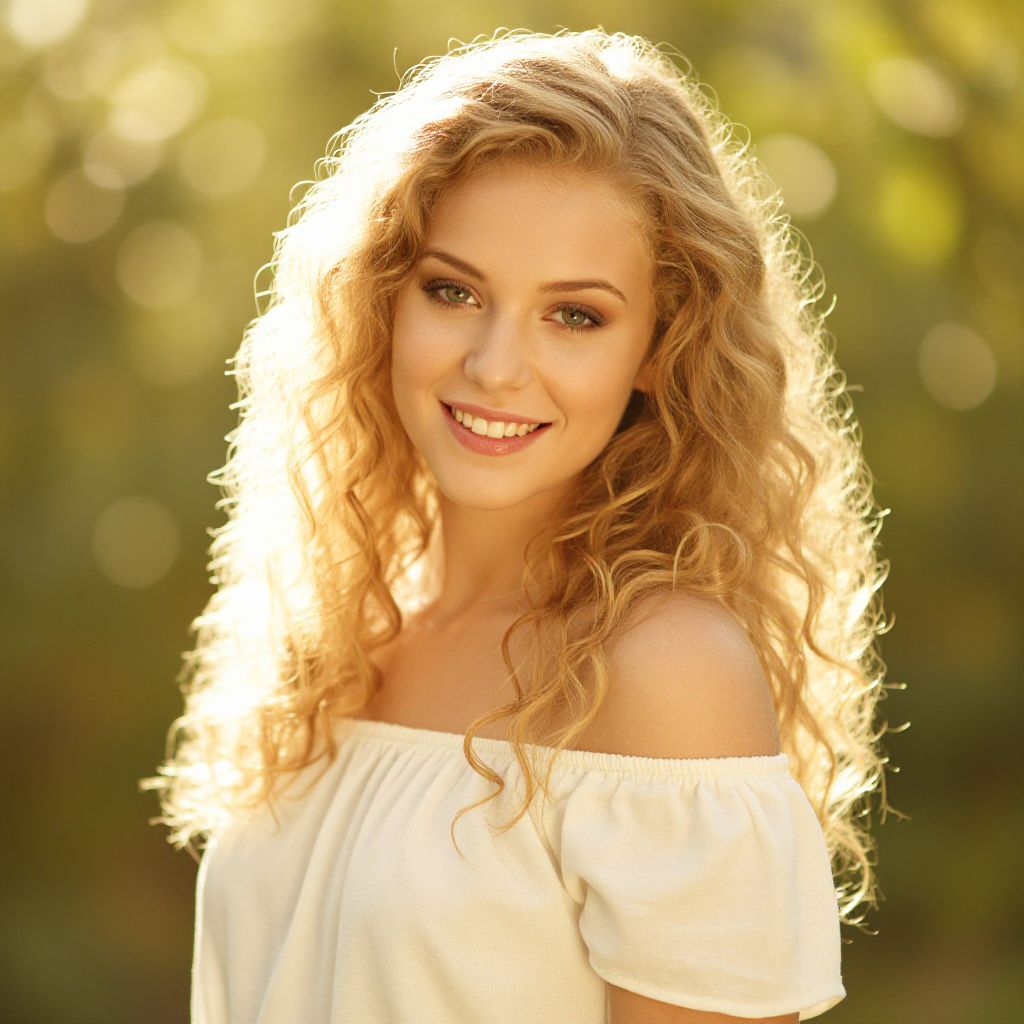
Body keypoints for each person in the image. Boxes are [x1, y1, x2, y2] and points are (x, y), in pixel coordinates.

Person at [144, 27, 894, 1023]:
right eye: (453, 291)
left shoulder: (666, 673)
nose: (497, 365)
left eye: (573, 315)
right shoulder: (338, 626)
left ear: (658, 350)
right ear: (381, 301)